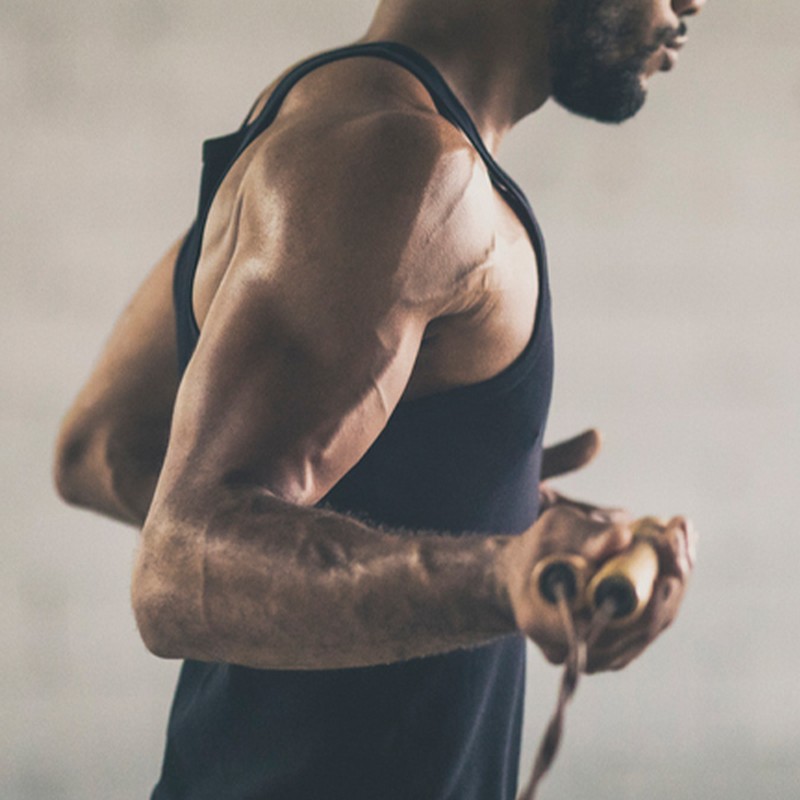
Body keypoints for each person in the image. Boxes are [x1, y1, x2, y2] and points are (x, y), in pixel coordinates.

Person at [54, 0, 704, 797]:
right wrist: (494, 576)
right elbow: (177, 568)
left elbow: (105, 443)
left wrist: (477, 517)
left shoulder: (325, 119)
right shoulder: (404, 165)